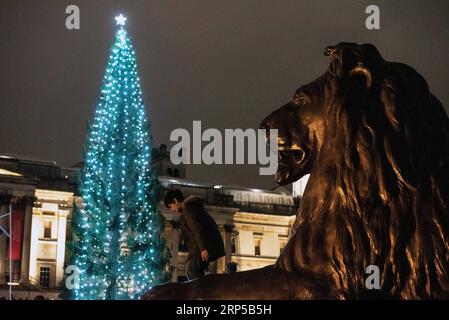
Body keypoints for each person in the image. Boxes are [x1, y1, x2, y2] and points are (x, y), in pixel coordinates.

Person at [164, 189, 225, 280]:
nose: (172, 210)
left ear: (175, 201)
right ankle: (201, 292)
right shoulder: (191, 209)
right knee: (194, 271)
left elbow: (197, 229)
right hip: (198, 247)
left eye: (170, 206)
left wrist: (203, 249)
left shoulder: (188, 209)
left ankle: (200, 294)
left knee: (191, 270)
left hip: (198, 247)